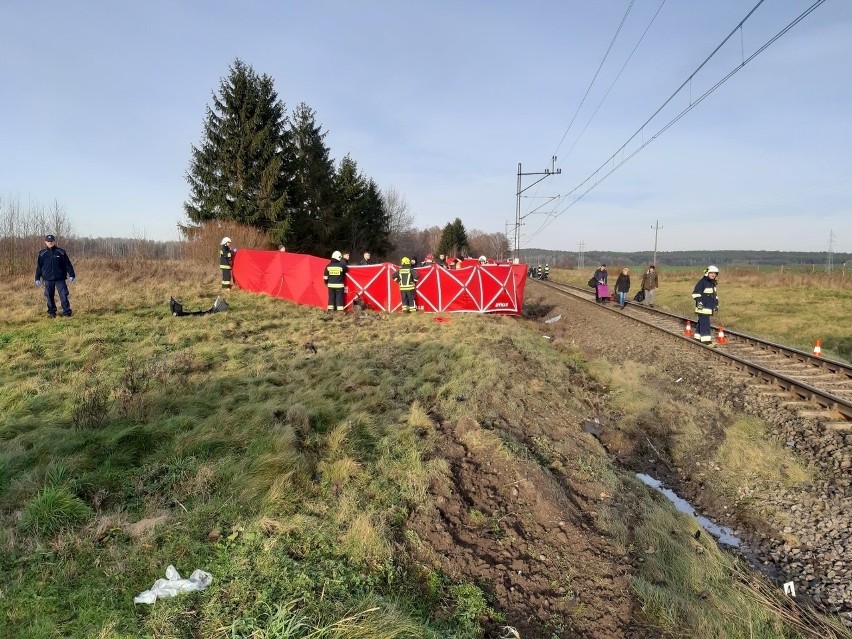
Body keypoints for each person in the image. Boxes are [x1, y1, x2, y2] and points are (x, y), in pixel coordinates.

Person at [35, 234, 75, 318]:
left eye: (52, 241)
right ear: (45, 242)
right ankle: (52, 313)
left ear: (54, 241)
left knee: (64, 295)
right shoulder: (42, 254)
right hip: (48, 279)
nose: (50, 242)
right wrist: (37, 278)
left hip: (60, 278)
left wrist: (72, 274)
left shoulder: (61, 252)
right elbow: (39, 267)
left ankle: (67, 313)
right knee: (49, 296)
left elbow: (68, 264)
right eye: (48, 241)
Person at [692, 265, 719, 346]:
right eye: (711, 273)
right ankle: (706, 341)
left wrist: (716, 305)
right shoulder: (702, 282)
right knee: (705, 324)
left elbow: (714, 296)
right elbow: (695, 293)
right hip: (703, 307)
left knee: (701, 322)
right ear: (707, 273)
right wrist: (699, 302)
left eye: (715, 273)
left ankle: (698, 337)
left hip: (709, 307)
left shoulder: (712, 283)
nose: (713, 275)